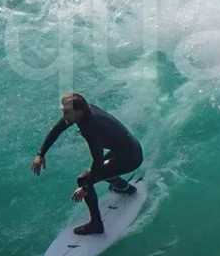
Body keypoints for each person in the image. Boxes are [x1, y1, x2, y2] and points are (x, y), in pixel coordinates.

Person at [32, 92, 142, 236]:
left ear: (79, 111)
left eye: (66, 112)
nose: (64, 115)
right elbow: (56, 130)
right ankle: (126, 188)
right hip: (127, 149)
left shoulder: (91, 127)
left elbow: (97, 159)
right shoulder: (83, 112)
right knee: (102, 172)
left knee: (84, 178)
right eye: (63, 111)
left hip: (130, 158)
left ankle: (96, 225)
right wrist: (41, 154)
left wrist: (85, 187)